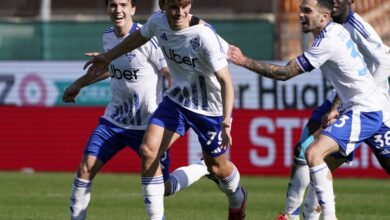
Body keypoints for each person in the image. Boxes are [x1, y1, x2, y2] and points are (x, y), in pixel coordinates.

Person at [82, 0, 247, 220]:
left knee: (217, 167)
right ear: (163, 6)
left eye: (184, 7)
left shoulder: (204, 35)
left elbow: (226, 81)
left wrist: (227, 120)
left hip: (209, 108)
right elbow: (136, 39)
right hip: (177, 101)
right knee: (148, 151)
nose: (179, 13)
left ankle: (236, 197)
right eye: (173, 7)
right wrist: (108, 57)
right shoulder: (157, 22)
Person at [228, 0, 390, 219]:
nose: (301, 15)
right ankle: (297, 215)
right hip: (352, 103)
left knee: (313, 154)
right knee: (315, 161)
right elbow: (350, 75)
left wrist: (244, 61)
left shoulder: (332, 38)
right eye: (300, 10)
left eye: (307, 11)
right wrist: (336, 106)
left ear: (324, 16)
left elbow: (285, 73)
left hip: (367, 109)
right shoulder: (335, 30)